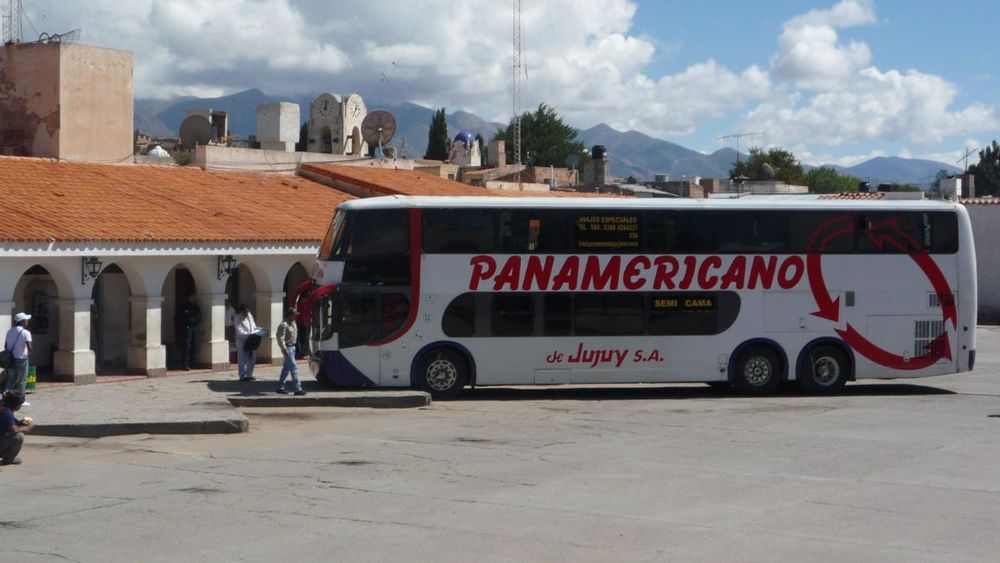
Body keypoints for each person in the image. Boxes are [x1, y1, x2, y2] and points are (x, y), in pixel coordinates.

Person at [275, 308, 306, 395]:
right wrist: (284, 349)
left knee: (286, 369)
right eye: (294, 314)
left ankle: (280, 387)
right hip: (287, 348)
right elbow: (280, 338)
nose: (296, 316)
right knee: (294, 368)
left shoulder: (293, 323)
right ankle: (297, 389)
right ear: (290, 315)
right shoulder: (284, 324)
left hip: (293, 348)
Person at [4, 312, 33, 397]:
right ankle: (21, 399)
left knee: (11, 379)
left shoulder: (9, 331)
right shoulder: (26, 332)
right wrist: (29, 353)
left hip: (11, 359)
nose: (27, 322)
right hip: (22, 358)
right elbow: (30, 346)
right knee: (22, 380)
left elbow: (6, 346)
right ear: (22, 322)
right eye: (26, 320)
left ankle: (5, 397)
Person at [1, 390, 32, 465]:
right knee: (19, 436)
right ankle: (8, 459)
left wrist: (23, 422)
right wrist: (25, 428)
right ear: (17, 405)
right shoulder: (7, 412)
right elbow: (13, 430)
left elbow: (14, 422)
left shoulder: (4, 410)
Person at [177, 292, 201, 371]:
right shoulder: (184, 306)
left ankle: (191, 363)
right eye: (193, 297)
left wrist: (196, 322)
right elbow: (179, 317)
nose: (194, 298)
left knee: (192, 346)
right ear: (189, 297)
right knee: (187, 346)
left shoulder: (196, 307)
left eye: (195, 297)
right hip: (186, 328)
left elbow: (199, 316)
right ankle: (185, 364)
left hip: (193, 328)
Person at [234, 304, 258, 382]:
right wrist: (248, 335)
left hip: (251, 340)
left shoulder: (250, 316)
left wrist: (256, 332)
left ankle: (249, 375)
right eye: (245, 311)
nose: (247, 312)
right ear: (241, 311)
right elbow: (240, 331)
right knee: (242, 358)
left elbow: (254, 326)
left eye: (247, 311)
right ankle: (242, 376)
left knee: (252, 358)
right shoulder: (238, 319)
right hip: (242, 340)